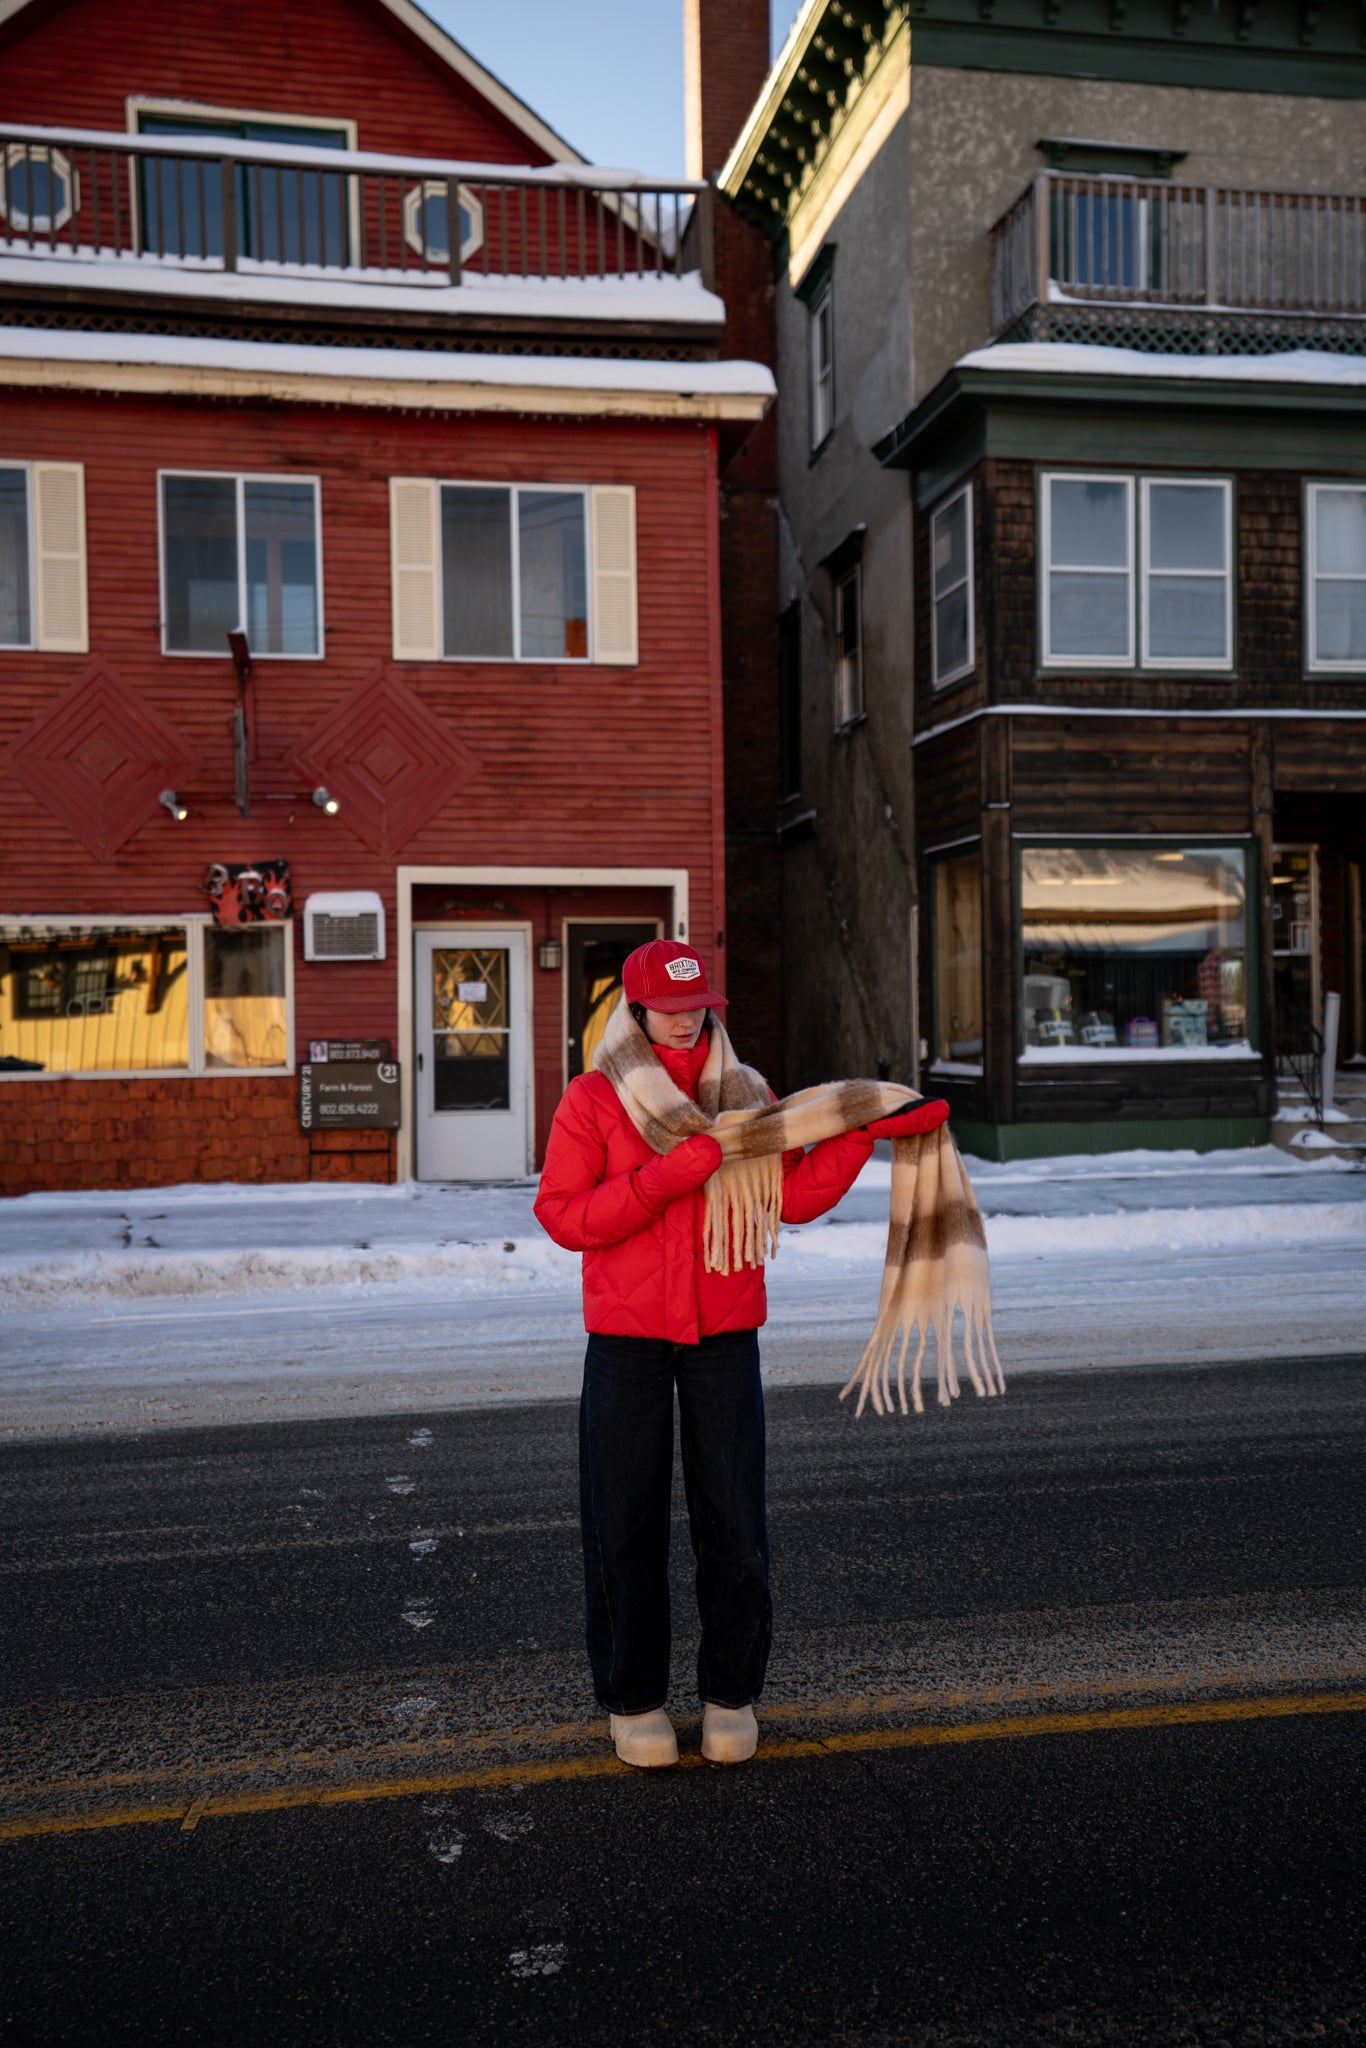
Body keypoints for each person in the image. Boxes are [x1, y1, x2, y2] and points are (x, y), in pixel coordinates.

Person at [534, 939, 949, 1769]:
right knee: (624, 1527)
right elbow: (564, 1215)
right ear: (637, 1008)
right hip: (626, 1343)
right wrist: (660, 1181)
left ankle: (732, 1694)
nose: (686, 1018)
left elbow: (790, 1198)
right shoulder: (594, 1098)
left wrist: (861, 1135)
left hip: (724, 1336)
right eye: (670, 1005)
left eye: (698, 1005)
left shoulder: (750, 1097)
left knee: (734, 1525)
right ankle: (635, 1700)